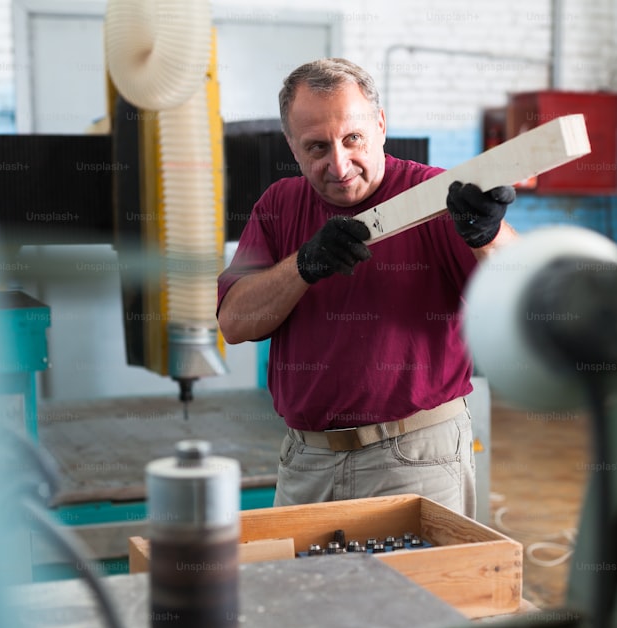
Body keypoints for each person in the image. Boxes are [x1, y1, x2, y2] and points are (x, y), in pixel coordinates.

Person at [216, 58, 517, 519]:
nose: (338, 164)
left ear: (379, 126)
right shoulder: (278, 205)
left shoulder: (434, 195)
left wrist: (488, 235)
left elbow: (516, 296)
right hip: (307, 461)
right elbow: (234, 324)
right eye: (316, 147)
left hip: (414, 458)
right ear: (292, 147)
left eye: (352, 138)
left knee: (415, 592)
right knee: (305, 592)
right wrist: (304, 264)